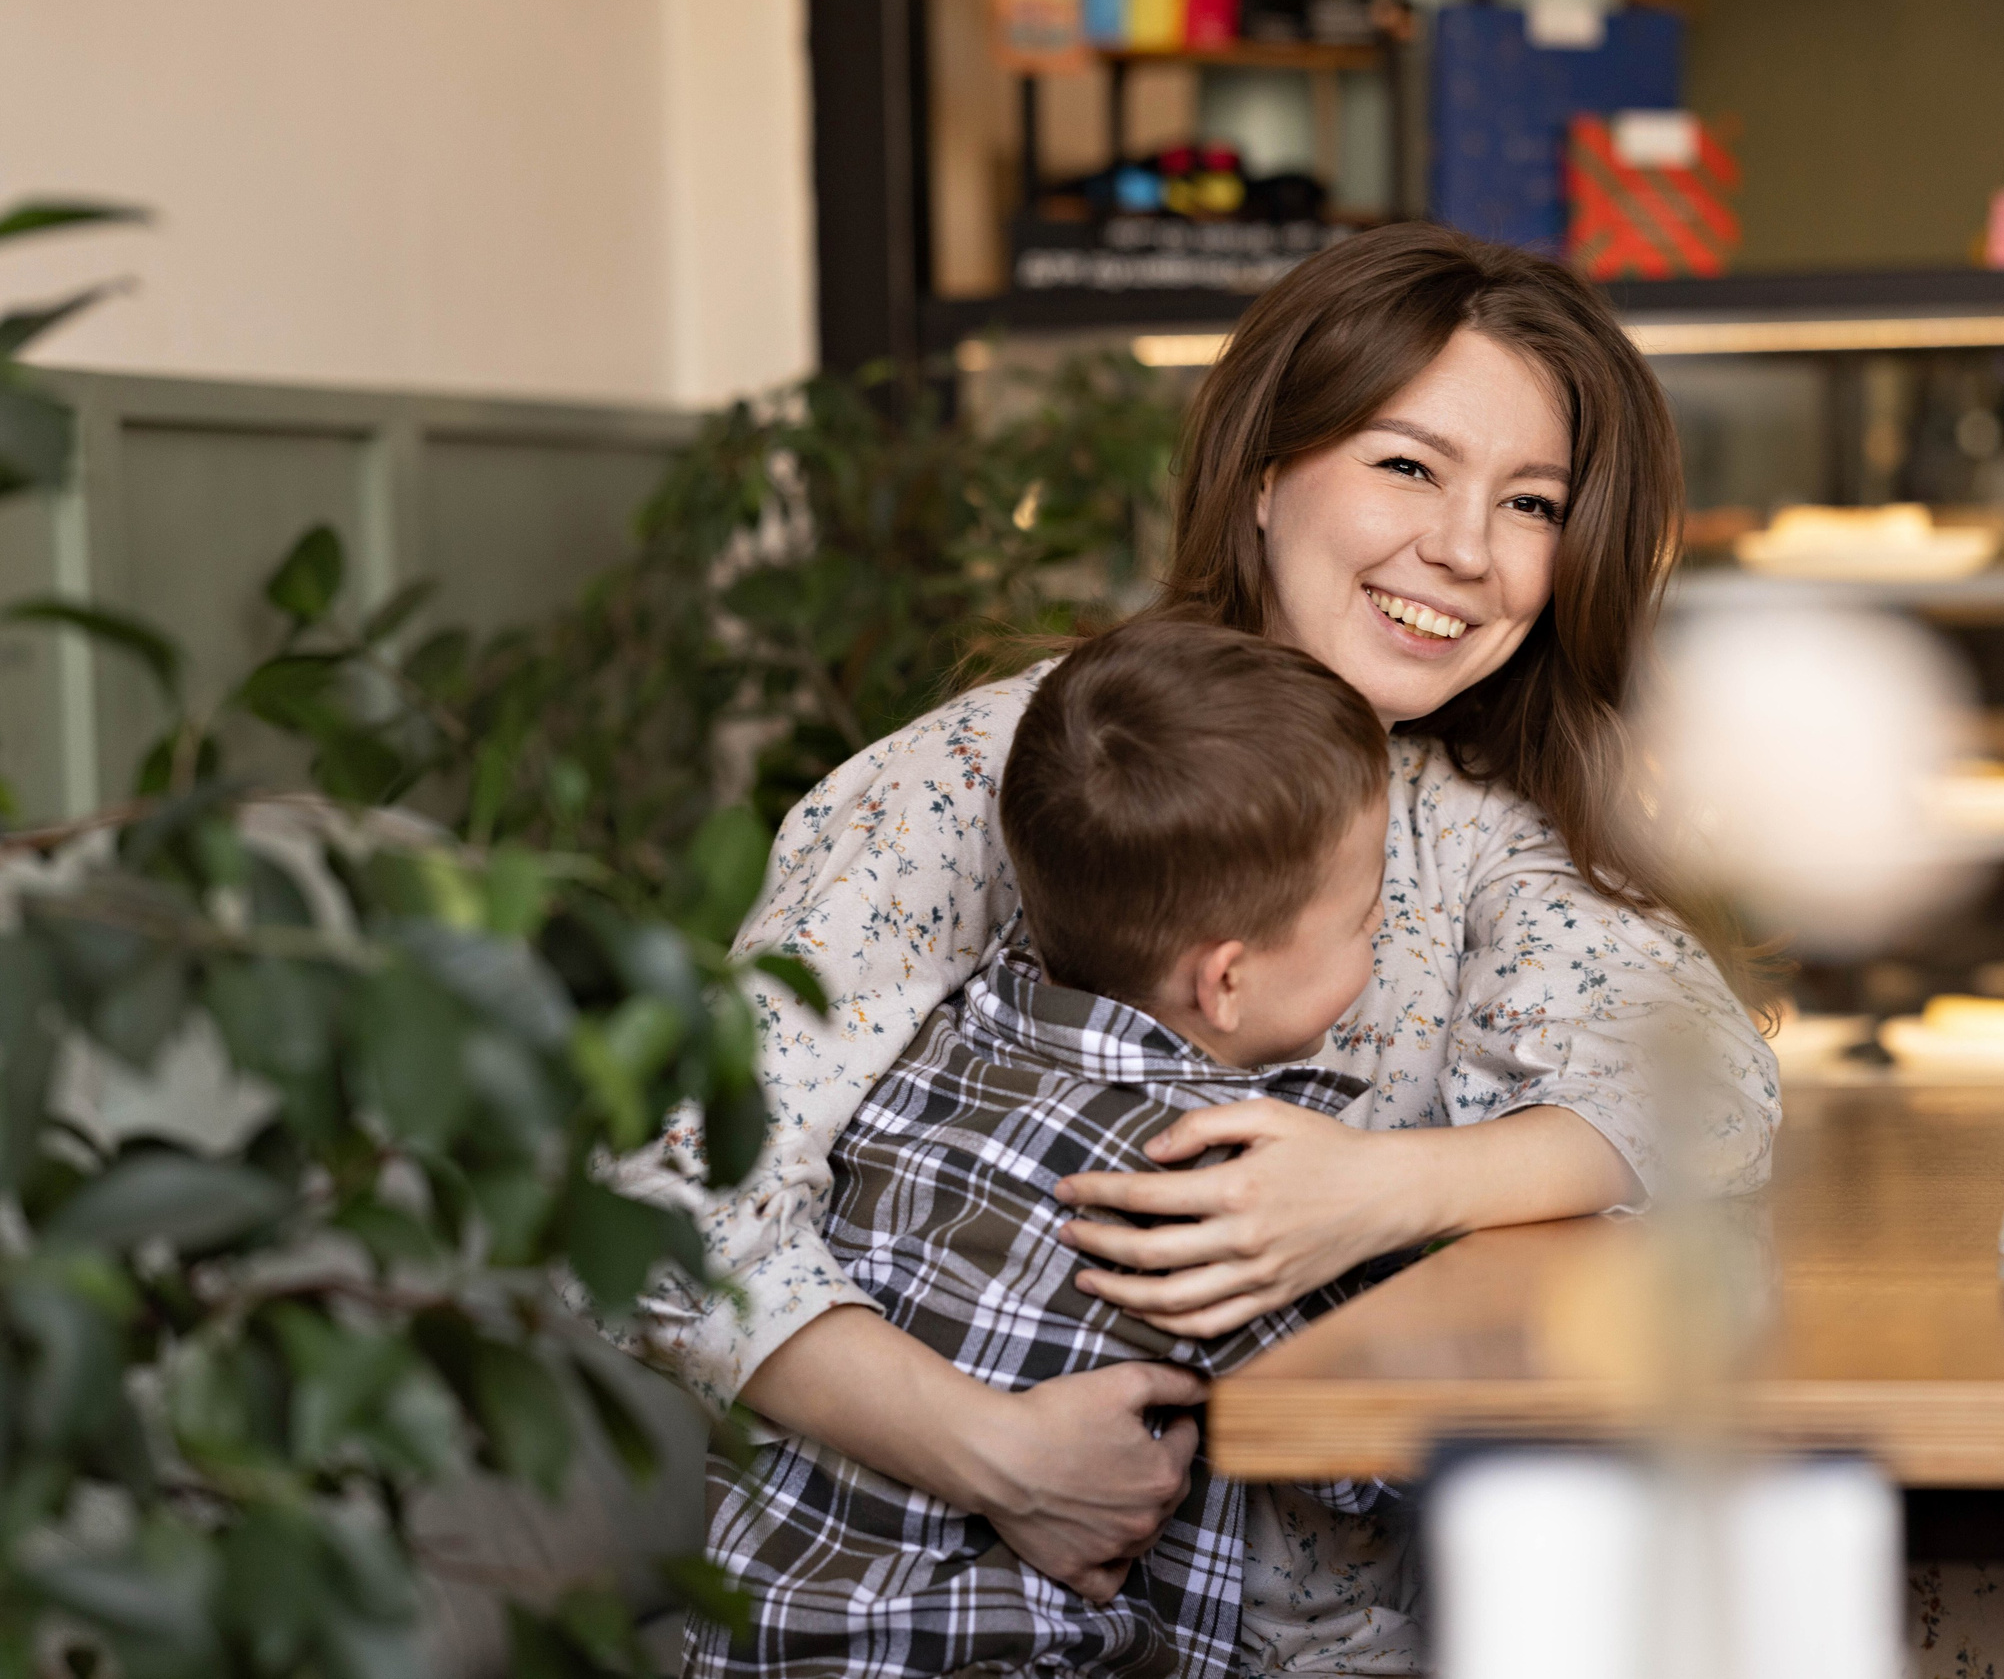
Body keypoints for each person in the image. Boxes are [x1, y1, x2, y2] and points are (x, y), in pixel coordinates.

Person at [619, 219, 1781, 1605]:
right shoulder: (997, 765)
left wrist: (1373, 1192)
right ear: (1263, 476)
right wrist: (999, 1457)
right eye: (1408, 466)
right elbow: (671, 1200)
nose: (1466, 549)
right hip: (966, 1608)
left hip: (1383, 1612)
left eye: (1533, 503)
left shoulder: (1481, 818)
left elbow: (1708, 1097)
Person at [690, 620, 1422, 1678]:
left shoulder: (942, 1043)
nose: (1382, 928)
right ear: (1225, 981)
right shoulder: (1209, 1183)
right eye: (1365, 916)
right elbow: (1380, 1453)